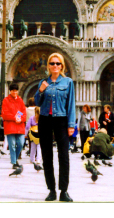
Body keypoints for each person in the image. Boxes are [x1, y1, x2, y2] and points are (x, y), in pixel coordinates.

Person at [34, 52, 75, 202]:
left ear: (62, 66)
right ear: (48, 66)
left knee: (64, 155)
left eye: (58, 63)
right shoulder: (43, 82)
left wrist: (71, 125)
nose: (55, 66)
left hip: (61, 120)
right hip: (45, 120)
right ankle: (51, 190)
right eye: (52, 63)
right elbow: (37, 102)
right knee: (46, 156)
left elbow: (71, 104)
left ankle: (64, 191)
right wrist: (41, 90)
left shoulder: (68, 82)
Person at [1, 83, 27, 169]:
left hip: (19, 125)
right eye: (13, 90)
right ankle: (14, 162)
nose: (14, 92)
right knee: (11, 144)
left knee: (21, 143)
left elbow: (24, 112)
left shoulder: (20, 100)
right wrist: (14, 118)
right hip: (10, 125)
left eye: (16, 90)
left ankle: (15, 159)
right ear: (10, 91)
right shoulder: (6, 100)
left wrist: (21, 119)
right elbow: (4, 114)